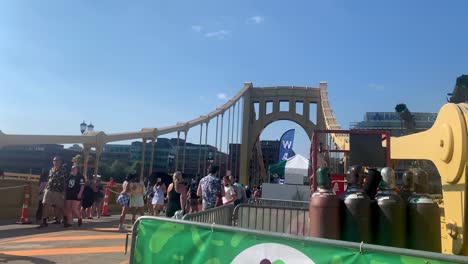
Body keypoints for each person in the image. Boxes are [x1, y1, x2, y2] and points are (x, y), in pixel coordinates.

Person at [38, 156, 67, 228]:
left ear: (60, 161)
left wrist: (64, 191)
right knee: (45, 204)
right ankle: (44, 221)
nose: (55, 162)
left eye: (57, 160)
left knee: (60, 206)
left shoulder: (63, 170)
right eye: (54, 160)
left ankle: (65, 219)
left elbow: (65, 181)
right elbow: (49, 179)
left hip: (58, 191)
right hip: (49, 189)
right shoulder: (51, 170)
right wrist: (45, 188)